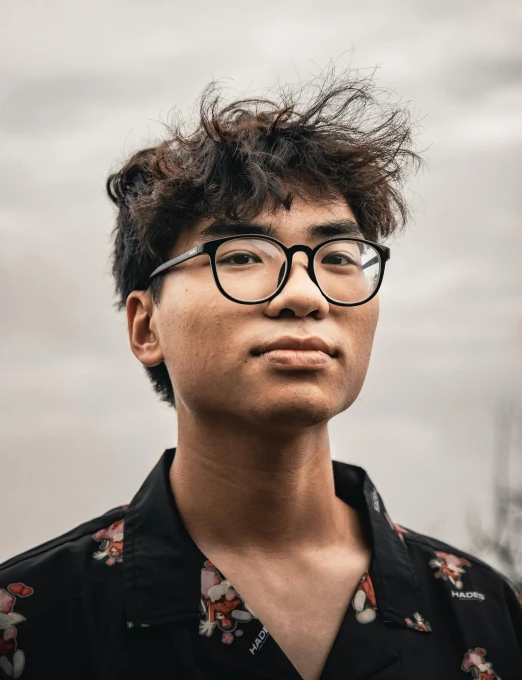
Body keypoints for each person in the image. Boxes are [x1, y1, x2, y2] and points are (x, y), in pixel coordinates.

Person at [1, 71, 521, 680]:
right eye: (242, 256)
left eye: (337, 258)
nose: (304, 295)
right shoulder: (32, 624)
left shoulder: (489, 613)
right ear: (147, 327)